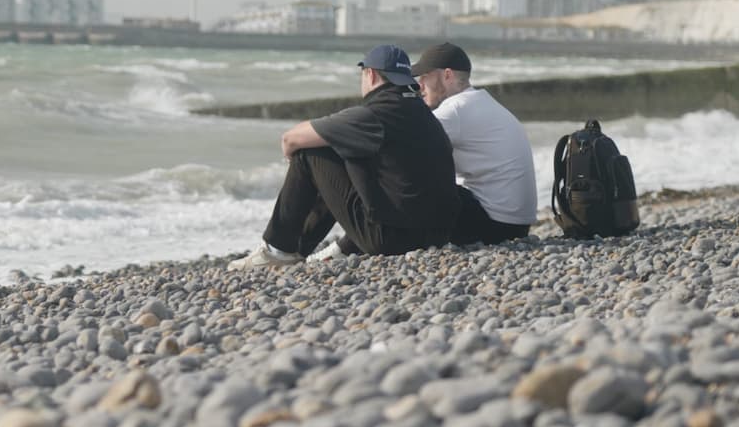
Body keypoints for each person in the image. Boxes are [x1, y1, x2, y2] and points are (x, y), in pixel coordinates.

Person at [230, 45, 459, 269]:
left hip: (391, 241)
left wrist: (297, 162)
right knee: (347, 148)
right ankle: (302, 249)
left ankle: (278, 249)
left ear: (369, 74)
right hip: (437, 236)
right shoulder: (422, 113)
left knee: (311, 152)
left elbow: (290, 139)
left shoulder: (374, 113)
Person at [410, 42, 537, 246]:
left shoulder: (456, 109)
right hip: (516, 225)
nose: (419, 85)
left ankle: (364, 242)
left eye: (424, 76)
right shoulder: (482, 103)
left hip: (494, 227)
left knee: (413, 180)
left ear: (447, 75)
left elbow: (403, 148)